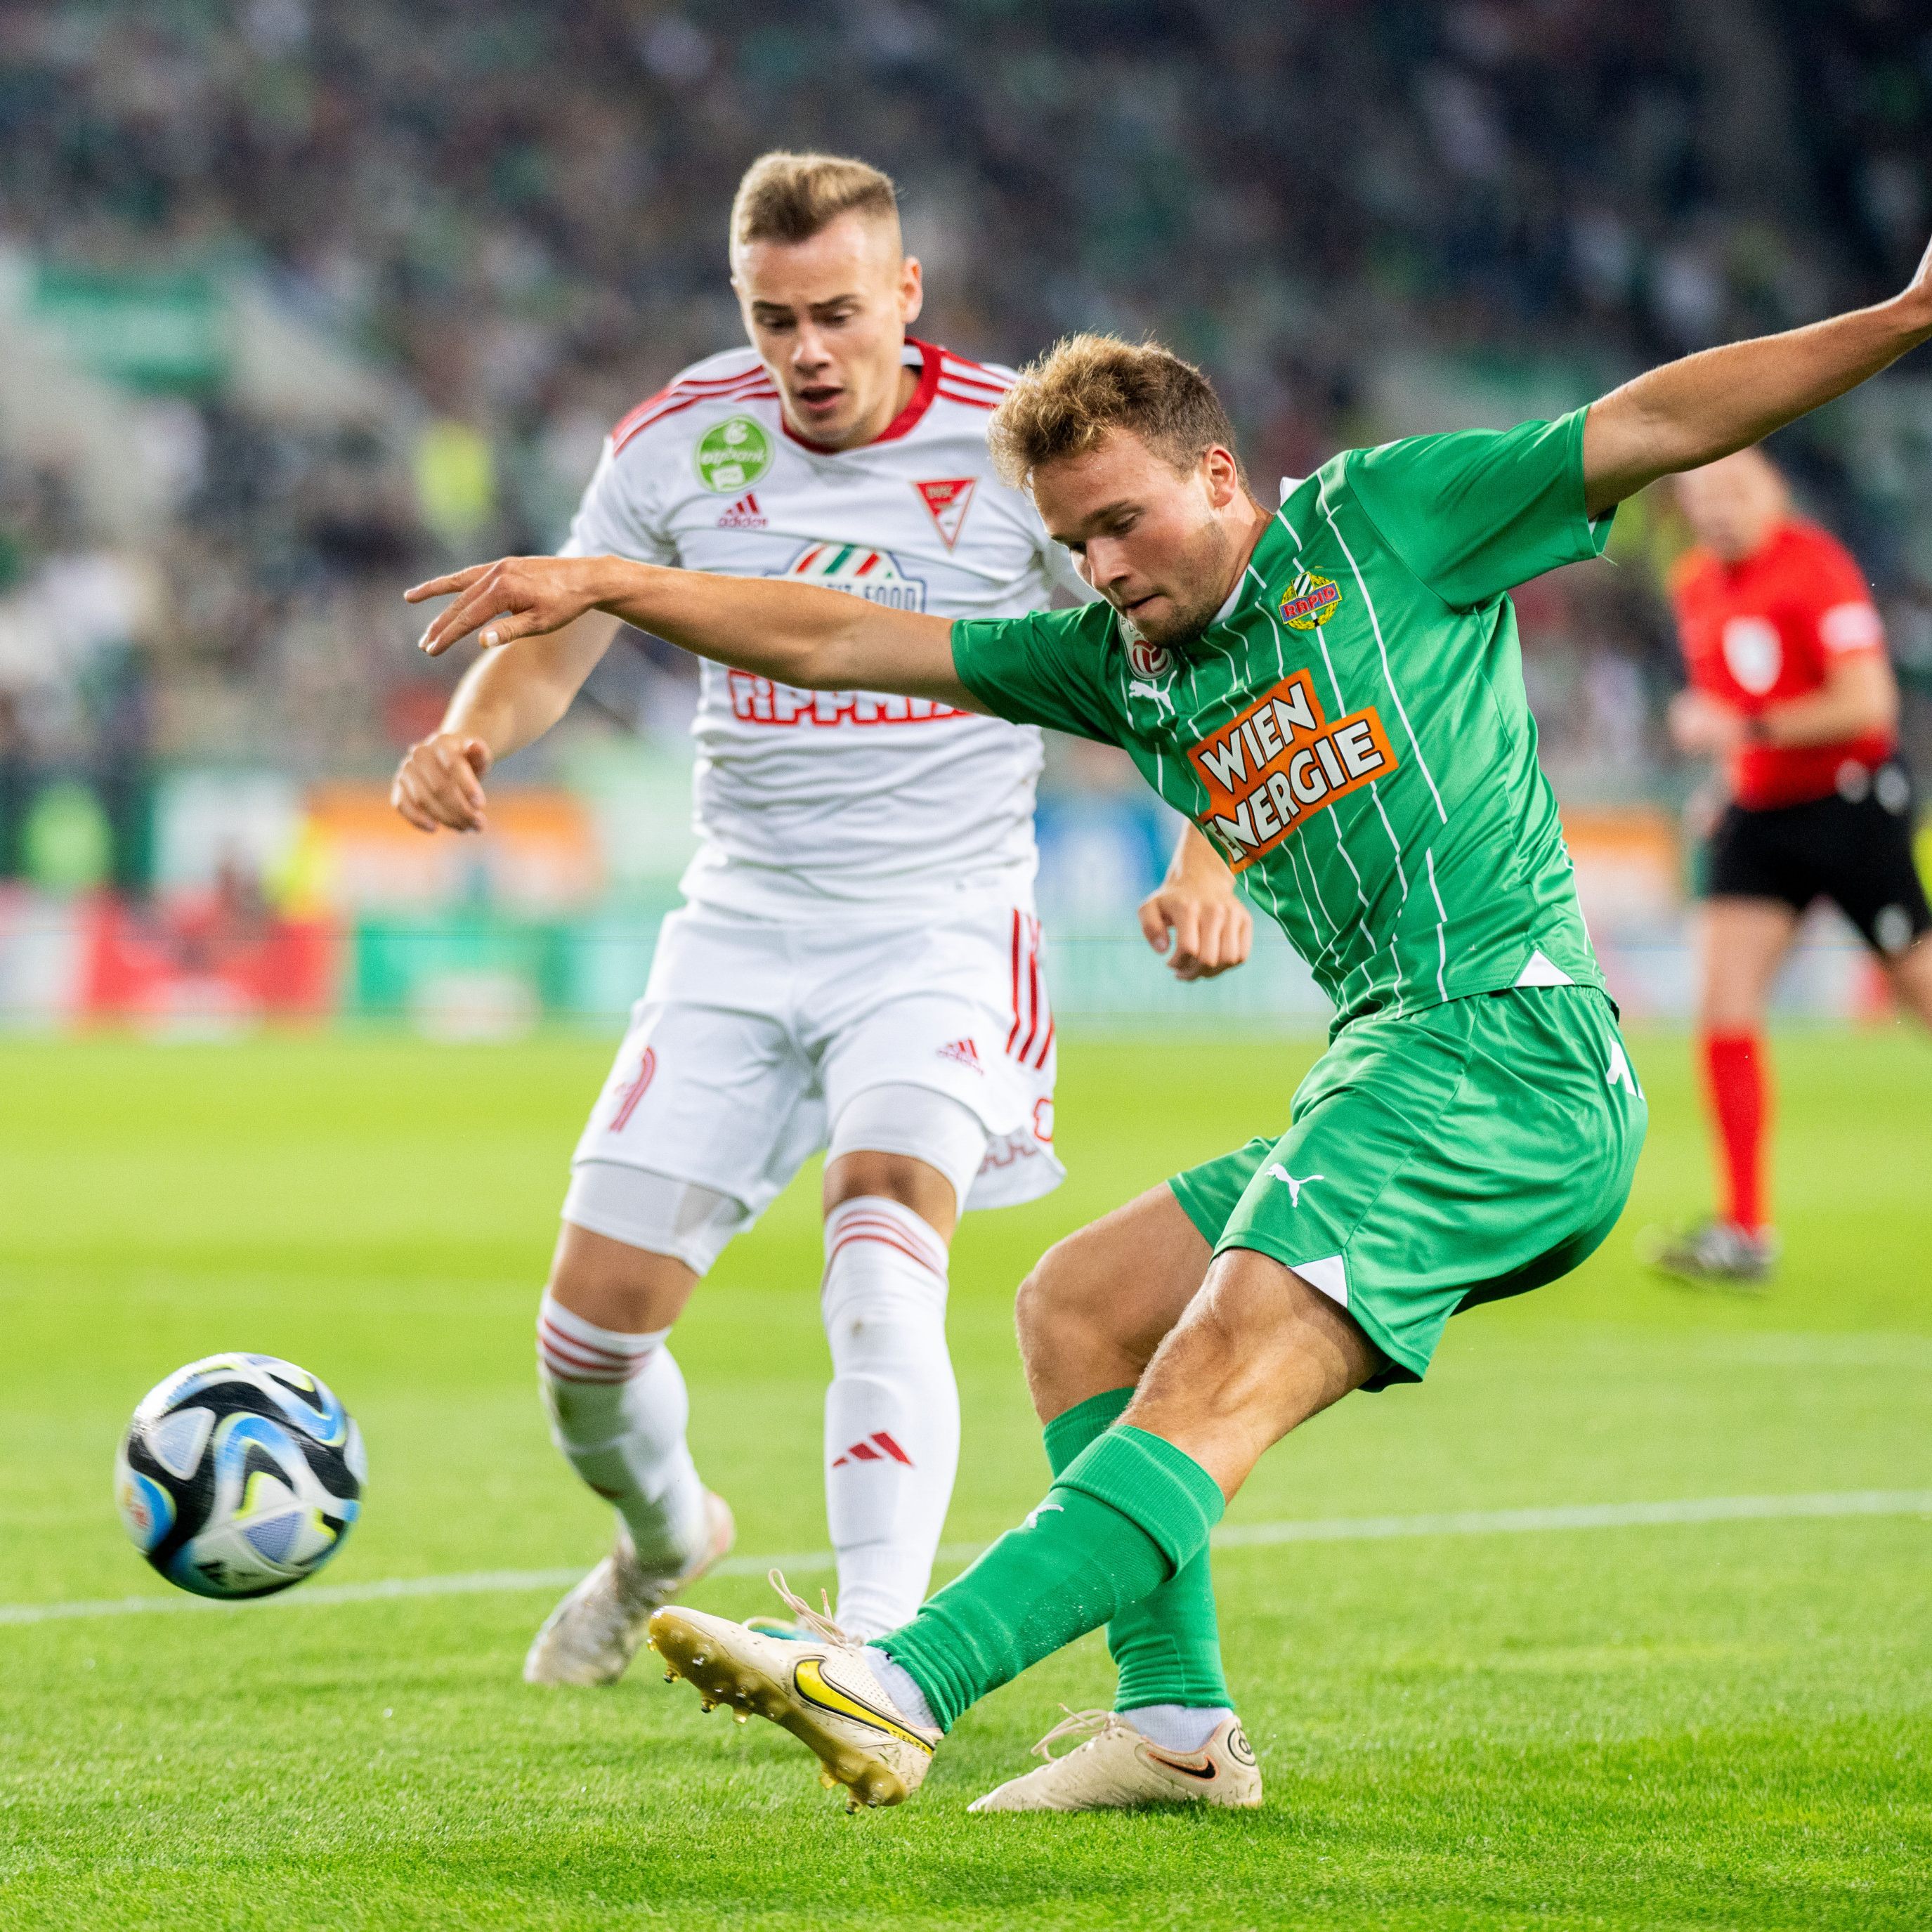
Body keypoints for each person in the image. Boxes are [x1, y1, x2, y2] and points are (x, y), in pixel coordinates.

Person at [403, 228, 1932, 1815]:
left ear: (1216, 475)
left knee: (1207, 1370)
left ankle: (897, 1673)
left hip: (1503, 1050)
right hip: (1391, 1066)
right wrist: (611, 583)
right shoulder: (1119, 667)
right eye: (1073, 545)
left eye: (1125, 521)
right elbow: (837, 633)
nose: (1107, 568)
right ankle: (1174, 1720)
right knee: (1080, 1302)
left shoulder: (1384, 520)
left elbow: (1661, 418)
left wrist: (1902, 314)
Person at [389, 152, 1250, 1690]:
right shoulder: (675, 441)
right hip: (737, 922)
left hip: (936, 923)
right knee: (586, 1346)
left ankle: (867, 1643)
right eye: (773, 316)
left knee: (879, 1238)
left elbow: (1180, 629)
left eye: (837, 313)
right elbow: (568, 621)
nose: (804, 350)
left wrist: (1206, 855)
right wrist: (471, 735)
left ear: (905, 297)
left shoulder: (1011, 455)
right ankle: (663, 1537)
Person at [1642, 445, 1931, 1286]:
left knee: (1919, 993)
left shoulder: (1816, 566)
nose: (1716, 509)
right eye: (1699, 495)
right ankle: (1743, 1230)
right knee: (1722, 1008)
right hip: (1760, 816)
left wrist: (1745, 732)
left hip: (1848, 806)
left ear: (1771, 490)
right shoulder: (1693, 583)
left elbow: (1865, 703)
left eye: (1732, 490)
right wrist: (1726, 783)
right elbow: (1734, 719)